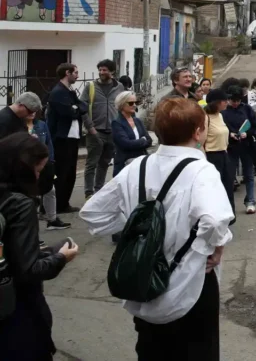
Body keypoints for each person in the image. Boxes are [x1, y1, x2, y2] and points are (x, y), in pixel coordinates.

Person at [81, 97, 234, 360]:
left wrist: (137, 223)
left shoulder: (137, 166)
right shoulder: (201, 171)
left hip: (144, 280)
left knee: (151, 351)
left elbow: (93, 212)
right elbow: (215, 220)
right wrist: (212, 249)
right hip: (191, 284)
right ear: (198, 132)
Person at [0, 133, 79, 360]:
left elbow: (12, 251)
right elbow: (28, 271)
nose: (38, 175)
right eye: (37, 169)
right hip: (16, 307)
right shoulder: (20, 203)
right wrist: (61, 257)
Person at [46, 63, 89, 214]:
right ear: (67, 73)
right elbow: (69, 113)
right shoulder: (58, 92)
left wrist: (77, 108)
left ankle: (64, 203)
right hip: (61, 138)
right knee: (61, 172)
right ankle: (56, 205)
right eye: (75, 73)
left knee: (70, 172)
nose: (77, 75)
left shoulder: (69, 91)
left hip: (73, 136)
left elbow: (82, 106)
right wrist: (76, 109)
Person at [83, 59, 126, 200]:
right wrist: (90, 128)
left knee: (105, 162)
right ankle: (88, 193)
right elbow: (82, 108)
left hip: (112, 131)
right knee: (91, 162)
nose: (102, 72)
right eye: (100, 70)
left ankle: (99, 190)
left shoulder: (119, 87)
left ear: (112, 72)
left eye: (105, 70)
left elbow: (123, 107)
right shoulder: (90, 87)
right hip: (95, 130)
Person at [28, 112, 69, 231]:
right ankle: (31, 227)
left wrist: (50, 161)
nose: (32, 113)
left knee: (50, 190)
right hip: (28, 166)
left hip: (44, 164)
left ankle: (52, 219)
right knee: (31, 195)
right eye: (29, 110)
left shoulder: (41, 125)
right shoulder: (18, 125)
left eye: (34, 110)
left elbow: (48, 144)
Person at [223, 87, 256, 214]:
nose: (236, 103)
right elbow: (221, 128)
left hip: (246, 145)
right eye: (233, 101)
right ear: (228, 100)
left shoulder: (246, 109)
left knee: (249, 174)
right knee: (229, 176)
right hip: (231, 147)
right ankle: (228, 204)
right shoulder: (224, 111)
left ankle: (250, 201)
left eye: (238, 101)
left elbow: (254, 125)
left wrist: (247, 133)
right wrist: (230, 134)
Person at [202, 89, 233, 219]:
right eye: (224, 100)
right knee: (215, 190)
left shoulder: (220, 115)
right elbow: (200, 142)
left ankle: (228, 216)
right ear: (216, 103)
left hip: (224, 154)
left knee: (227, 187)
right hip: (212, 157)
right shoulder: (205, 118)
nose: (227, 102)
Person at [111, 91, 151, 177]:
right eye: (130, 103)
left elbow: (149, 140)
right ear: (121, 104)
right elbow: (125, 144)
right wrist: (142, 140)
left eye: (135, 102)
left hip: (142, 163)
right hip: (125, 166)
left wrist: (138, 142)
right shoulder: (116, 123)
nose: (134, 105)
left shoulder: (138, 121)